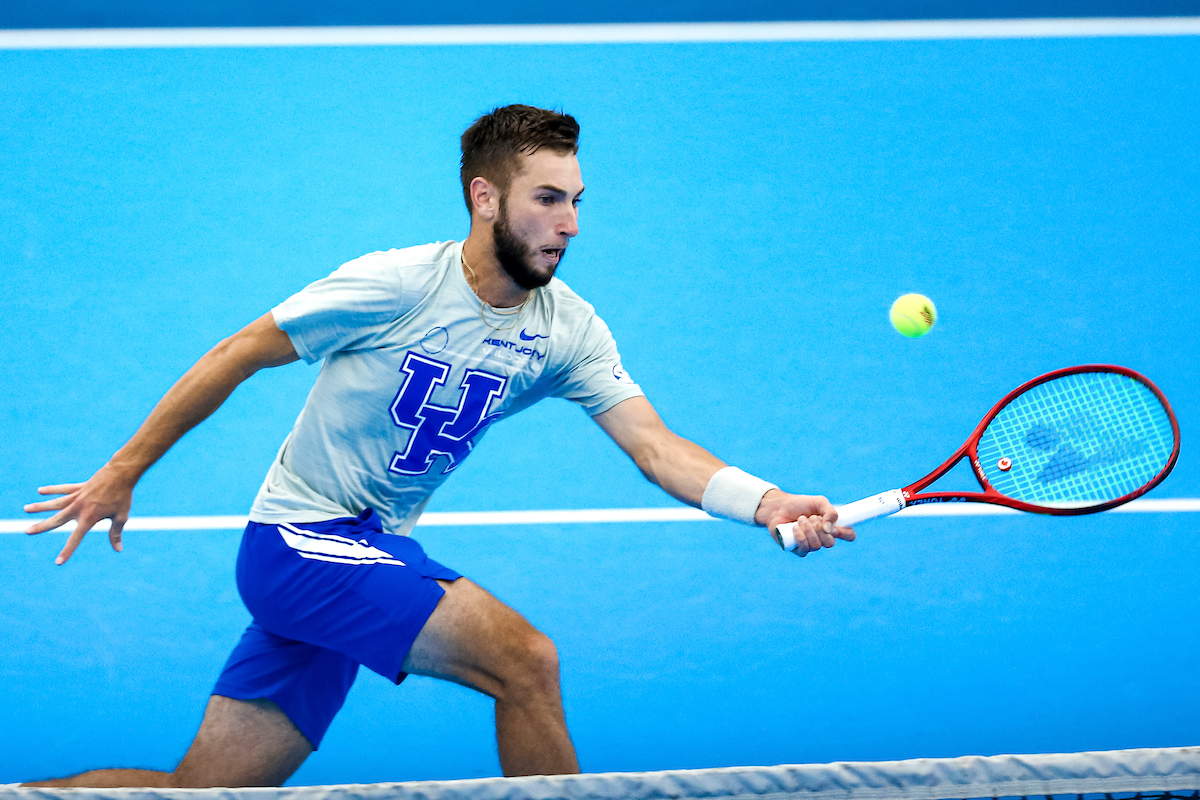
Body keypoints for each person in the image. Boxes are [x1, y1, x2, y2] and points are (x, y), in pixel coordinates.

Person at [22, 104, 854, 788]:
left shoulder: (568, 328)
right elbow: (238, 352)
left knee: (204, 790)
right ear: (485, 198)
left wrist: (767, 502)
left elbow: (655, 446)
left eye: (576, 201)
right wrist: (124, 470)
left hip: (369, 552)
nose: (569, 224)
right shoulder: (395, 285)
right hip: (298, 544)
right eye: (547, 199)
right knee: (525, 662)